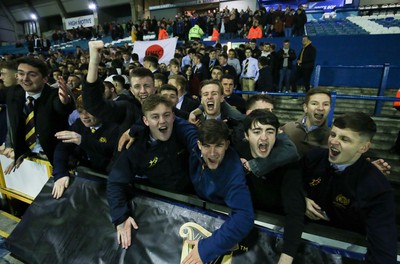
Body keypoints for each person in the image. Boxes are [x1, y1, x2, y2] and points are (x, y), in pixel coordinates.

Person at [301, 112, 397, 263]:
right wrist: (301, 198)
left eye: (344, 139)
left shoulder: (376, 187)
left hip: (347, 251)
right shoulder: (313, 158)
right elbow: (286, 184)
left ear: (364, 147)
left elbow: (383, 246)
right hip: (306, 242)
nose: (333, 141)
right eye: (333, 134)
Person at [107, 94, 195, 249]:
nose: (162, 121)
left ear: (173, 116)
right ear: (145, 121)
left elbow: (194, 138)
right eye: (155, 117)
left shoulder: (181, 129)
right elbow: (115, 182)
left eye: (166, 115)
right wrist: (121, 217)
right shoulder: (135, 147)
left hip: (192, 198)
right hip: (163, 204)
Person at [180, 119, 254, 264]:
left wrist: (206, 249)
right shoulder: (194, 146)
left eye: (219, 145)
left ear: (226, 144)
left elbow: (245, 216)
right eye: (207, 146)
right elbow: (175, 121)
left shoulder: (233, 172)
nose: (213, 153)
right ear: (199, 144)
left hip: (219, 214)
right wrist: (135, 129)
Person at [235, 110, 304, 264]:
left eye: (270, 131)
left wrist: (287, 256)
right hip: (245, 224)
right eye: (257, 131)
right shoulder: (238, 151)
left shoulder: (289, 165)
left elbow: (295, 213)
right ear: (246, 135)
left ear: (276, 135)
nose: (264, 137)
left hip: (275, 230)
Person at [0, 57, 74, 173]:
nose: (25, 79)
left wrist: (65, 101)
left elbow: (62, 107)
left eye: (32, 75)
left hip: (56, 161)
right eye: (21, 74)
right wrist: (20, 151)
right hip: (28, 158)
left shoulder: (54, 95)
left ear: (44, 79)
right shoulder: (14, 92)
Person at [52, 95, 119, 199]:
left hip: (109, 182)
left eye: (89, 111)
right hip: (85, 177)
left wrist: (82, 141)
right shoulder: (79, 124)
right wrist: (60, 174)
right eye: (80, 111)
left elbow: (109, 150)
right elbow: (62, 148)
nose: (84, 116)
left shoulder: (116, 125)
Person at [281, 88, 331, 157]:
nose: (320, 108)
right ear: (305, 107)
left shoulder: (331, 138)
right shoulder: (288, 129)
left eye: (325, 104)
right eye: (314, 103)